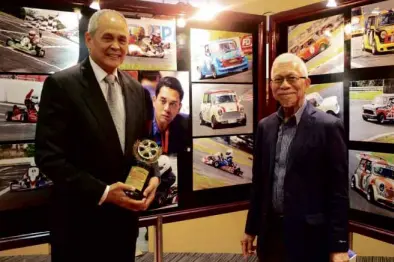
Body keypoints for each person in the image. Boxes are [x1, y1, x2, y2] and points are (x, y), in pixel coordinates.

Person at [35, 9, 160, 262]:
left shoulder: (137, 91)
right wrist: (103, 192)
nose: (116, 46)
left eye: (122, 40)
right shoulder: (61, 86)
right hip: (78, 229)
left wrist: (153, 176)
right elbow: (48, 157)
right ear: (89, 40)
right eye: (108, 38)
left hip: (123, 228)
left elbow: (145, 145)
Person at [242, 53, 349, 262]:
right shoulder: (265, 126)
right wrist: (251, 228)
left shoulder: (328, 127)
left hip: (310, 238)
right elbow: (259, 185)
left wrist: (339, 246)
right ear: (270, 86)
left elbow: (339, 192)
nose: (284, 85)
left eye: (291, 78)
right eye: (277, 79)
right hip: (270, 234)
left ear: (306, 83)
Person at [151, 76, 188, 155]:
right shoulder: (140, 126)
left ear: (179, 108)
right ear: (154, 101)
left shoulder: (186, 127)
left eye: (173, 104)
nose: (167, 109)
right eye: (163, 101)